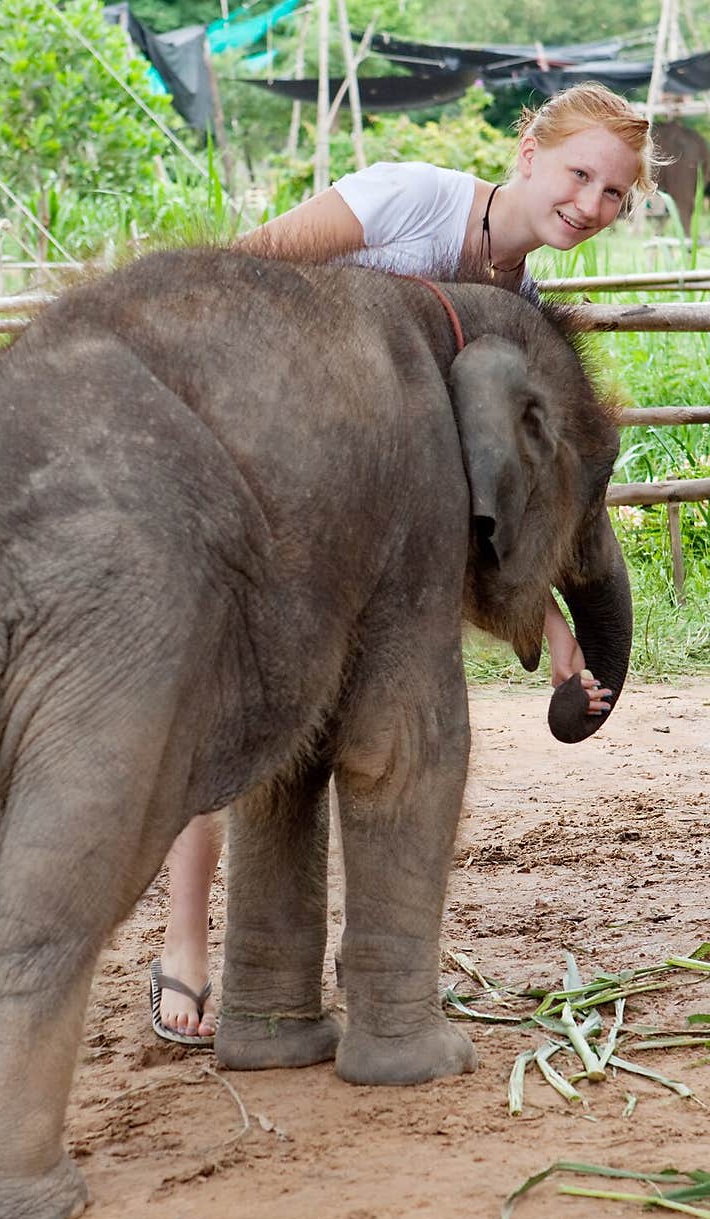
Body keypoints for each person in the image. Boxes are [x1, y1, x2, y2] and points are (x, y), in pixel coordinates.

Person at [152, 81, 659, 1044]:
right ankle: (186, 951)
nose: (592, 205)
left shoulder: (520, 305)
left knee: (292, 743)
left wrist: (550, 629)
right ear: (526, 154)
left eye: (615, 196)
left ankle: (267, 1002)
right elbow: (241, 275)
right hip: (262, 470)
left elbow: (480, 502)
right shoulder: (409, 200)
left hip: (368, 538)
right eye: (579, 174)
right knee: (226, 734)